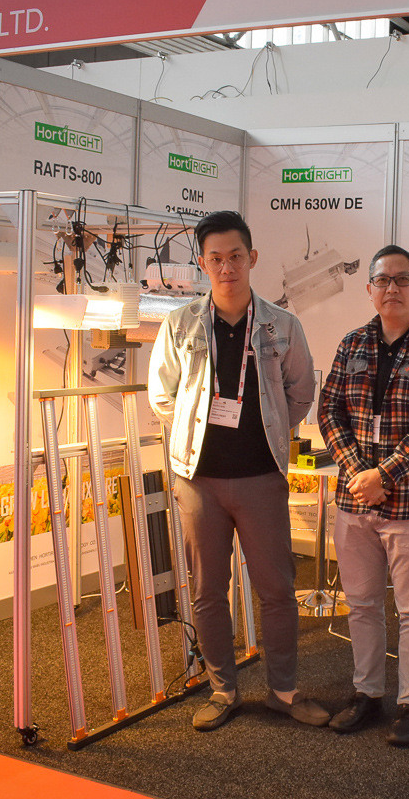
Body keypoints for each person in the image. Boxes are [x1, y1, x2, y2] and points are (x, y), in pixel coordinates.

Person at [148, 210, 329, 731]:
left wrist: (263, 429)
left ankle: (284, 692)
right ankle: (222, 690)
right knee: (208, 591)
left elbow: (300, 393)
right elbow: (162, 396)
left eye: (235, 257)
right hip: (198, 480)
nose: (226, 267)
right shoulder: (180, 324)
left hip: (261, 478)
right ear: (203, 263)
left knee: (277, 590)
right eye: (216, 259)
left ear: (252, 258)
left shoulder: (282, 325)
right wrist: (197, 432)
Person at [318, 244, 409, 747]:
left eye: (402, 279)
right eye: (382, 280)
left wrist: (385, 475)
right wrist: (359, 472)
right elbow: (329, 411)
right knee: (361, 605)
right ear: (370, 289)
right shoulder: (352, 343)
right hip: (354, 501)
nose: (392, 288)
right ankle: (367, 694)